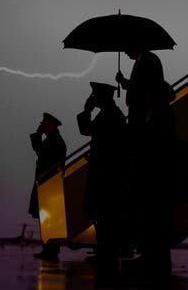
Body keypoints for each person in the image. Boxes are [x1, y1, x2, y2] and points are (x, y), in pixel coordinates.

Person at [116, 49, 176, 280]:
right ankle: (153, 255)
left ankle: (154, 257)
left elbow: (144, 88)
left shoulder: (148, 61)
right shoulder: (158, 114)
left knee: (152, 210)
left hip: (154, 170)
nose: (125, 51)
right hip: (152, 163)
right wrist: (126, 83)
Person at [77, 82, 128, 266]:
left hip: (106, 171)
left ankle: (106, 251)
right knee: (105, 212)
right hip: (108, 170)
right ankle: (105, 250)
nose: (93, 98)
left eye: (95, 95)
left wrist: (86, 111)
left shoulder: (109, 115)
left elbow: (87, 130)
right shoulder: (112, 113)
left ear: (101, 97)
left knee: (105, 212)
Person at [28, 112, 67, 260]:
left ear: (49, 125)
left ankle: (50, 249)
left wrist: (37, 135)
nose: (40, 125)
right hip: (47, 183)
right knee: (47, 219)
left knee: (49, 219)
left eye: (43, 124)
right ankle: (49, 248)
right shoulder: (52, 139)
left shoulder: (54, 140)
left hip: (50, 184)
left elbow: (41, 154)